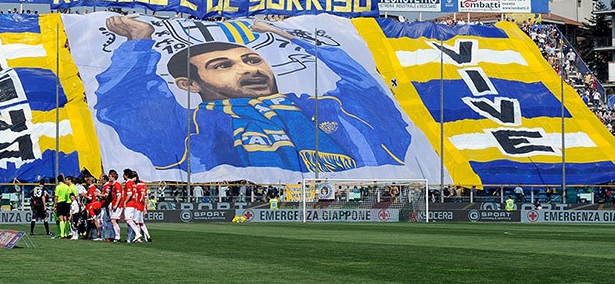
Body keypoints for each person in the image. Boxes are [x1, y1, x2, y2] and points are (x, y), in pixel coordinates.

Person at [98, 17, 415, 176]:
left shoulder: (325, 108)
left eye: (252, 60)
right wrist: (139, 42)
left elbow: (366, 87)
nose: (249, 69)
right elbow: (128, 102)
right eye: (223, 66)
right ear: (188, 84)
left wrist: (289, 36)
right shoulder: (189, 125)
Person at [122, 168, 143, 243]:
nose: (123, 176)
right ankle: (129, 238)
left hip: (129, 204)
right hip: (134, 204)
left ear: (126, 175)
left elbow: (129, 194)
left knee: (129, 220)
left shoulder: (128, 183)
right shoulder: (134, 184)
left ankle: (137, 233)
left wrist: (125, 202)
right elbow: (136, 196)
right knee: (131, 221)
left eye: (124, 174)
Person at [133, 171, 151, 242]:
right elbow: (146, 197)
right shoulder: (143, 184)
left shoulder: (136, 186)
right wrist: (145, 206)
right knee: (142, 222)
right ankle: (147, 236)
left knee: (136, 222)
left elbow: (136, 197)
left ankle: (138, 238)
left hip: (137, 206)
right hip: (141, 205)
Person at [108, 170, 124, 242]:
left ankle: (117, 237)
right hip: (115, 205)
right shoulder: (114, 185)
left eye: (110, 176)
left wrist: (116, 205)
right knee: (115, 221)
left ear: (113, 177)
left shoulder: (117, 185)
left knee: (113, 220)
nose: (109, 177)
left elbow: (119, 196)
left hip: (118, 205)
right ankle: (116, 236)